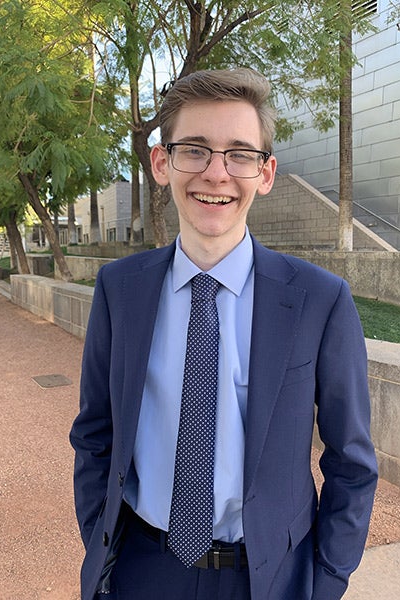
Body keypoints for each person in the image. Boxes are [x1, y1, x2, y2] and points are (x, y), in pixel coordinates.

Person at [70, 68, 378, 600]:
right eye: (195, 149)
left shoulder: (321, 301)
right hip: (142, 569)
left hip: (271, 578)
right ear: (161, 163)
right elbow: (94, 433)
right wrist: (102, 545)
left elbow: (351, 462)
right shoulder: (119, 289)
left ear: (266, 172)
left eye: (239, 154)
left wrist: (324, 583)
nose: (216, 174)